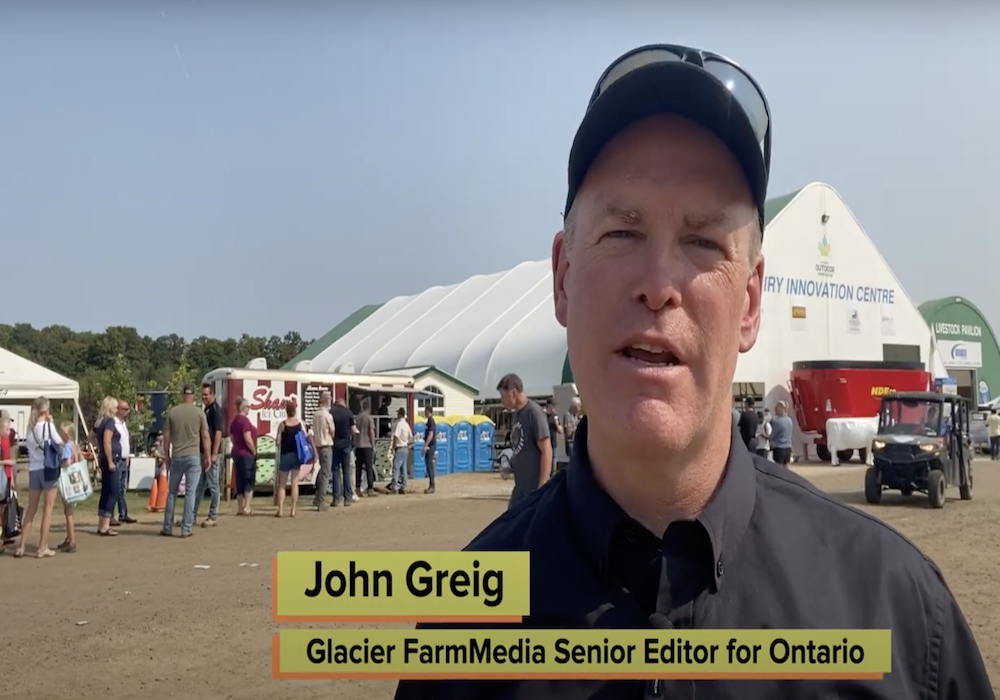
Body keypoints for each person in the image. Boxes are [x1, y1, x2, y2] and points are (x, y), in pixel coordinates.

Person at [394, 43, 992, 699]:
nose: (658, 286)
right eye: (622, 233)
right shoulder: (463, 633)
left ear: (751, 302)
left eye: (703, 242)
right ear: (562, 278)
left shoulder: (900, 619)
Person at [13, 397, 65, 557]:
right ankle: (42, 547)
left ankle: (21, 546)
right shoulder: (48, 426)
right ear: (46, 409)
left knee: (31, 509)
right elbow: (60, 443)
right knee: (47, 509)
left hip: (33, 469)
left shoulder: (30, 429)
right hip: (48, 469)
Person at [160, 386, 210, 538]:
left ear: (182, 395)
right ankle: (186, 528)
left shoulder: (173, 412)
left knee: (172, 492)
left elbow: (166, 436)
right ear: (193, 396)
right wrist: (207, 456)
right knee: (190, 492)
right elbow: (205, 437)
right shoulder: (199, 413)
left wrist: (167, 455)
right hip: (193, 456)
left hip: (177, 455)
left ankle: (167, 527)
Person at [496, 373, 550, 510]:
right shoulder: (516, 415)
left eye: (503, 395)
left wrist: (542, 488)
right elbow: (521, 448)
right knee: (511, 525)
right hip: (520, 488)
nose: (502, 400)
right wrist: (508, 460)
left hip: (533, 489)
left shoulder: (534, 412)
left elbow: (547, 450)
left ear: (513, 393)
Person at [274, 401, 314, 518]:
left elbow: (277, 441)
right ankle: (293, 510)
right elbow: (305, 436)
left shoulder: (282, 424)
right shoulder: (299, 423)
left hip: (285, 455)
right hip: (297, 455)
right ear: (295, 411)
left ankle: (280, 510)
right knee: (294, 483)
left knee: (282, 484)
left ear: (286, 411)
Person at [194, 383, 224, 528]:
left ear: (212, 394)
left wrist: (214, 453)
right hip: (202, 452)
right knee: (199, 485)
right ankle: (191, 515)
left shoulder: (216, 411)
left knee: (213, 485)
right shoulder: (206, 409)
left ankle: (213, 516)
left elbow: (218, 432)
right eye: (203, 394)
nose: (204, 397)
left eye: (206, 394)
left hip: (210, 453)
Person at [54, 421, 80, 553]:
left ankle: (71, 540)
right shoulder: (74, 445)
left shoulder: (66, 447)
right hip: (74, 480)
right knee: (69, 511)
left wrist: (61, 465)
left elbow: (67, 462)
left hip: (67, 481)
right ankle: (69, 538)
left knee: (68, 512)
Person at [229, 396, 257, 516]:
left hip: (236, 452)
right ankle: (247, 507)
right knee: (248, 480)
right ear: (244, 407)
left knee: (239, 480)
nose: (249, 409)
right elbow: (247, 438)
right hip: (246, 454)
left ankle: (240, 507)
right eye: (248, 407)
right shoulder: (244, 421)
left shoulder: (234, 420)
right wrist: (253, 450)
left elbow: (231, 437)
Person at [112, 399, 137, 525]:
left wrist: (127, 456)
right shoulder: (114, 423)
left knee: (122, 488)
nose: (127, 412)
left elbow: (125, 441)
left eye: (128, 409)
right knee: (115, 488)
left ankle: (123, 513)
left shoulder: (123, 424)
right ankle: (111, 514)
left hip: (123, 459)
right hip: (116, 459)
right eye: (124, 409)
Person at [329, 396, 355, 507]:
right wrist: (353, 442)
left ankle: (336, 498)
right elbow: (353, 429)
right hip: (346, 445)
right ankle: (347, 498)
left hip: (334, 444)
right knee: (346, 471)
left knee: (335, 470)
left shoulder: (331, 412)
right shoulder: (349, 413)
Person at [312, 391, 335, 510]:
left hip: (318, 445)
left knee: (322, 471)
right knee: (326, 473)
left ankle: (317, 497)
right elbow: (332, 430)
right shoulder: (327, 415)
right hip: (326, 445)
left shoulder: (315, 414)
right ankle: (321, 501)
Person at [354, 398, 377, 497]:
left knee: (358, 468)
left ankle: (358, 488)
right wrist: (373, 444)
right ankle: (370, 488)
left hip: (358, 445)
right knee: (368, 467)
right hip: (367, 445)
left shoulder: (358, 417)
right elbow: (371, 431)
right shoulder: (369, 418)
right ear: (369, 408)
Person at [389, 407, 412, 494]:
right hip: (405, 448)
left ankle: (395, 487)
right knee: (404, 468)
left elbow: (396, 436)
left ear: (399, 414)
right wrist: (407, 444)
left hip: (399, 447)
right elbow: (411, 437)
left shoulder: (399, 424)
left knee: (396, 468)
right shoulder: (406, 424)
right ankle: (403, 487)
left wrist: (393, 447)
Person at [770, 400, 794, 466]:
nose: (775, 410)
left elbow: (771, 436)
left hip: (779, 448)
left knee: (778, 468)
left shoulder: (777, 422)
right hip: (788, 447)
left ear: (781, 408)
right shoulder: (789, 420)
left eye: (776, 408)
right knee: (785, 467)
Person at [420, 405, 436, 494]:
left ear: (428, 411)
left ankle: (432, 486)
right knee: (428, 465)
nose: (424, 412)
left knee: (430, 466)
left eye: (425, 411)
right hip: (429, 445)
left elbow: (431, 434)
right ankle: (431, 485)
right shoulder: (428, 421)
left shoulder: (431, 421)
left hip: (431, 446)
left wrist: (425, 446)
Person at [562, 398, 581, 463]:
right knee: (573, 462)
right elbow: (568, 432)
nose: (579, 409)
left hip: (577, 442)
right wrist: (577, 427)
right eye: (578, 407)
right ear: (574, 407)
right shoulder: (567, 416)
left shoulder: (576, 416)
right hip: (571, 443)